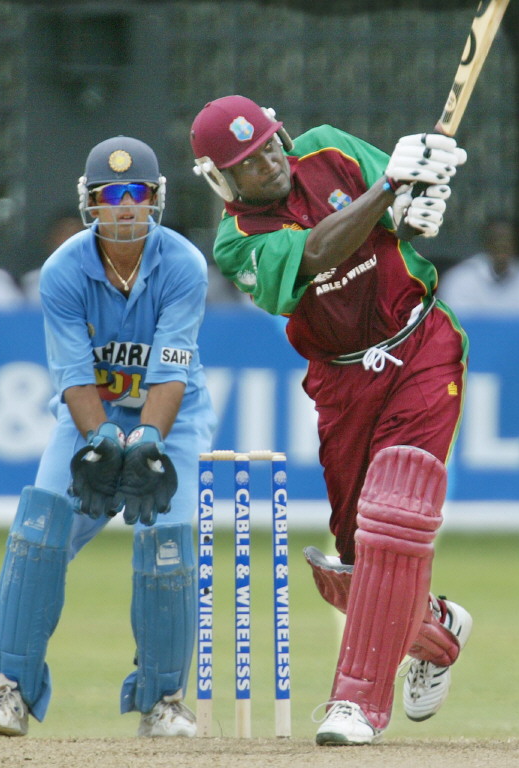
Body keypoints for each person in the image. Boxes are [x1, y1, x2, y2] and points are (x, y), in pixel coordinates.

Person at [190, 95, 473, 746]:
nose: (268, 165)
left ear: (279, 132)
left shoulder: (328, 148)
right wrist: (391, 189)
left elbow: (402, 213)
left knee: (395, 512)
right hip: (342, 381)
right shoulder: (240, 241)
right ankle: (436, 630)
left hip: (420, 342)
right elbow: (317, 252)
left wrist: (416, 204)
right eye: (248, 164)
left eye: (267, 146)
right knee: (354, 568)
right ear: (222, 180)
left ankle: (356, 705)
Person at [0, 136, 216, 738]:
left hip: (172, 419)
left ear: (155, 198)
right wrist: (105, 438)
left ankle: (163, 701)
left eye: (137, 193)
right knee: (42, 524)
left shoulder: (183, 263)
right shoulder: (63, 271)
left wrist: (144, 443)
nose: (126, 207)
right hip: (93, 412)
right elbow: (73, 379)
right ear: (93, 203)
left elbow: (169, 371)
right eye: (112, 195)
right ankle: (10, 691)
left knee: (165, 537)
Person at [437, 215, 519, 314]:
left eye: (507, 240)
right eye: (496, 239)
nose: (502, 244)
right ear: (485, 243)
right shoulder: (459, 279)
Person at [20, 212, 85, 304]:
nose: (70, 240)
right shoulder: (32, 283)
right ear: (50, 240)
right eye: (64, 233)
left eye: (76, 234)